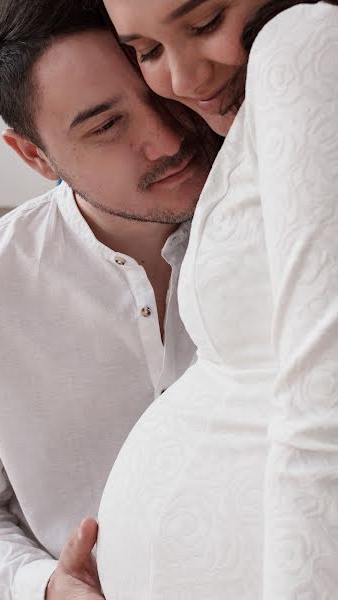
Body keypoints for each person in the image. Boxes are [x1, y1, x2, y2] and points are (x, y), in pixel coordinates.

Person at [0, 1, 219, 599]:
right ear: (34, 156)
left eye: (158, 94)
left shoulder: (286, 228)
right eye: (106, 126)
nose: (166, 139)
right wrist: (43, 585)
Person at [97, 0, 338, 599]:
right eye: (145, 51)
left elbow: (326, 404)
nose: (181, 80)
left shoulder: (306, 44)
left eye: (205, 24)